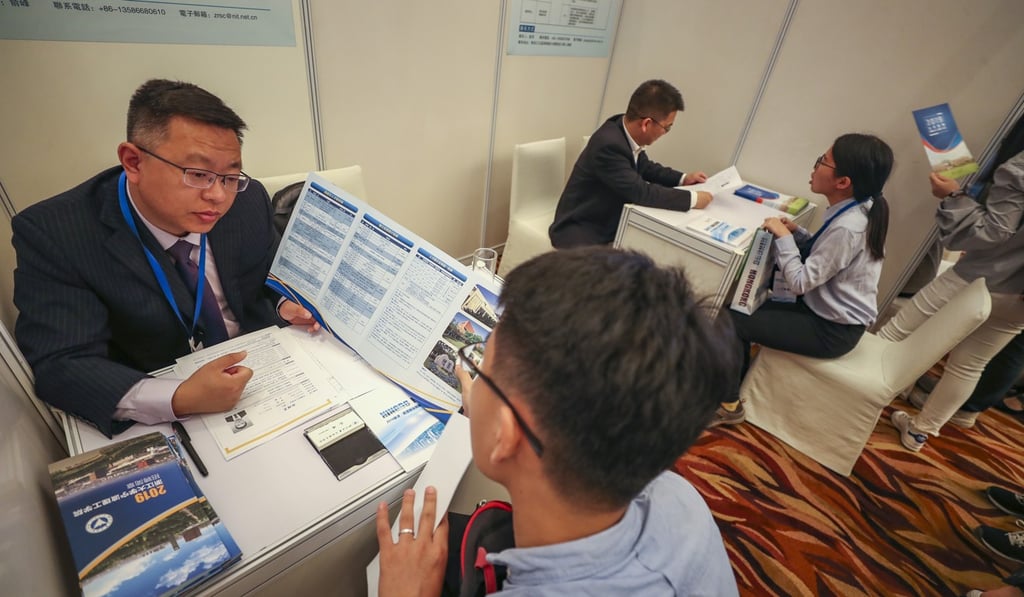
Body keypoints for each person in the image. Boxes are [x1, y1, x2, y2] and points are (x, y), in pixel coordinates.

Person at [375, 247, 740, 596]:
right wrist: (493, 407)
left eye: (480, 370)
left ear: (506, 433)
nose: (474, 378)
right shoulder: (681, 498)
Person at [12, 79, 316, 437]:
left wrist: (282, 305)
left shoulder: (247, 202)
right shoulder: (58, 233)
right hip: (164, 403)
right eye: (199, 175)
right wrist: (179, 396)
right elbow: (63, 363)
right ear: (133, 162)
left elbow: (264, 277)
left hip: (265, 374)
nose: (218, 196)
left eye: (230, 176)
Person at [713, 133, 894, 426]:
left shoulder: (849, 226)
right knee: (739, 306)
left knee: (730, 320)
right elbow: (829, 259)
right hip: (823, 310)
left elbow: (800, 281)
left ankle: (728, 404)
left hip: (831, 329)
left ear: (843, 182)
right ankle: (732, 377)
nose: (814, 167)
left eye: (823, 161)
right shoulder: (858, 208)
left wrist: (784, 238)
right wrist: (797, 233)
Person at [885, 149, 1024, 452]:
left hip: (979, 276)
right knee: (970, 365)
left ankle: (856, 398)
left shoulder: (1020, 167)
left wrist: (954, 197)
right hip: (1019, 298)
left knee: (895, 334)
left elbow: (993, 232)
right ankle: (920, 432)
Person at [548, 79, 713, 248]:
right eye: (667, 127)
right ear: (646, 124)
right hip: (582, 228)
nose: (665, 133)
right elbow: (641, 192)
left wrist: (683, 179)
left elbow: (646, 167)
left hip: (608, 221)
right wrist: (693, 199)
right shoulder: (609, 145)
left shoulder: (623, 128)